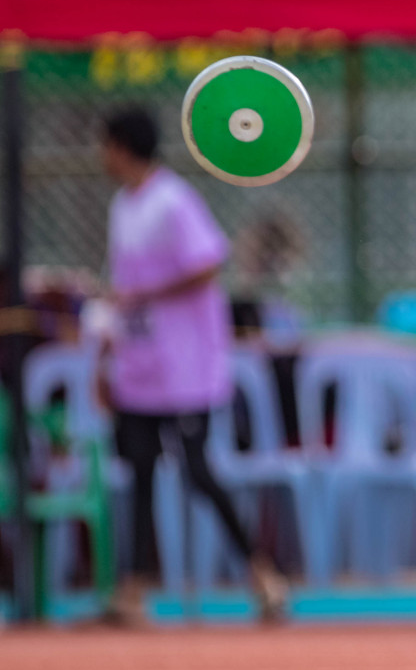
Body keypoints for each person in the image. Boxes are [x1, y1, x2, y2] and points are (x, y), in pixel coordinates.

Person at [96, 107, 288, 625]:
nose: (102, 156)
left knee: (199, 473)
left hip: (183, 369)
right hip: (140, 367)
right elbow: (121, 291)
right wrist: (108, 353)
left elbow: (206, 265)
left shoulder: (172, 201)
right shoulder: (123, 205)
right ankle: (132, 593)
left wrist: (146, 294)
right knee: (138, 475)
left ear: (121, 146)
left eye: (106, 145)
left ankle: (264, 577)